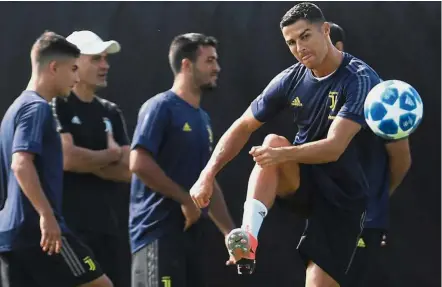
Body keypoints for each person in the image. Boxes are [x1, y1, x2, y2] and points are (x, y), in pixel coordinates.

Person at [190, 3, 396, 286]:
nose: (299, 47)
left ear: (325, 30)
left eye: (305, 36)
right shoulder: (292, 77)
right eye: (291, 42)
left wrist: (279, 155)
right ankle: (248, 237)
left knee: (318, 282)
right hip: (303, 180)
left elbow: (334, 147)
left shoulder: (361, 79)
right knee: (271, 140)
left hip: (344, 197)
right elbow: (242, 126)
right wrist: (207, 175)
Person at [0, 31, 112, 287]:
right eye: (73, 68)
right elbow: (20, 163)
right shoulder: (36, 107)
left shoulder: (15, 108)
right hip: (39, 233)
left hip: (10, 236)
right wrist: (46, 216)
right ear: (53, 67)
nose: (76, 77)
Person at [129, 33, 236, 287]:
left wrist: (230, 233)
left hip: (189, 240)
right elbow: (138, 163)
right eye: (209, 61)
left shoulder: (203, 119)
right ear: (186, 65)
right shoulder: (160, 107)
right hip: (156, 235)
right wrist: (185, 199)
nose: (216, 68)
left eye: (216, 61)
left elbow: (207, 180)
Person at [328, 23, 412, 287]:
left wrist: (377, 198)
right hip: (324, 219)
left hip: (363, 221)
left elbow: (402, 159)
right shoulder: (310, 90)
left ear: (338, 47)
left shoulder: (380, 97)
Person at [50, 30, 131, 287]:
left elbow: (129, 170)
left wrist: (88, 161)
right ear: (74, 62)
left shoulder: (111, 112)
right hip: (69, 230)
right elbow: (67, 159)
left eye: (106, 59)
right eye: (96, 59)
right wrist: (110, 155)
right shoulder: (57, 104)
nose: (105, 65)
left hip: (108, 228)